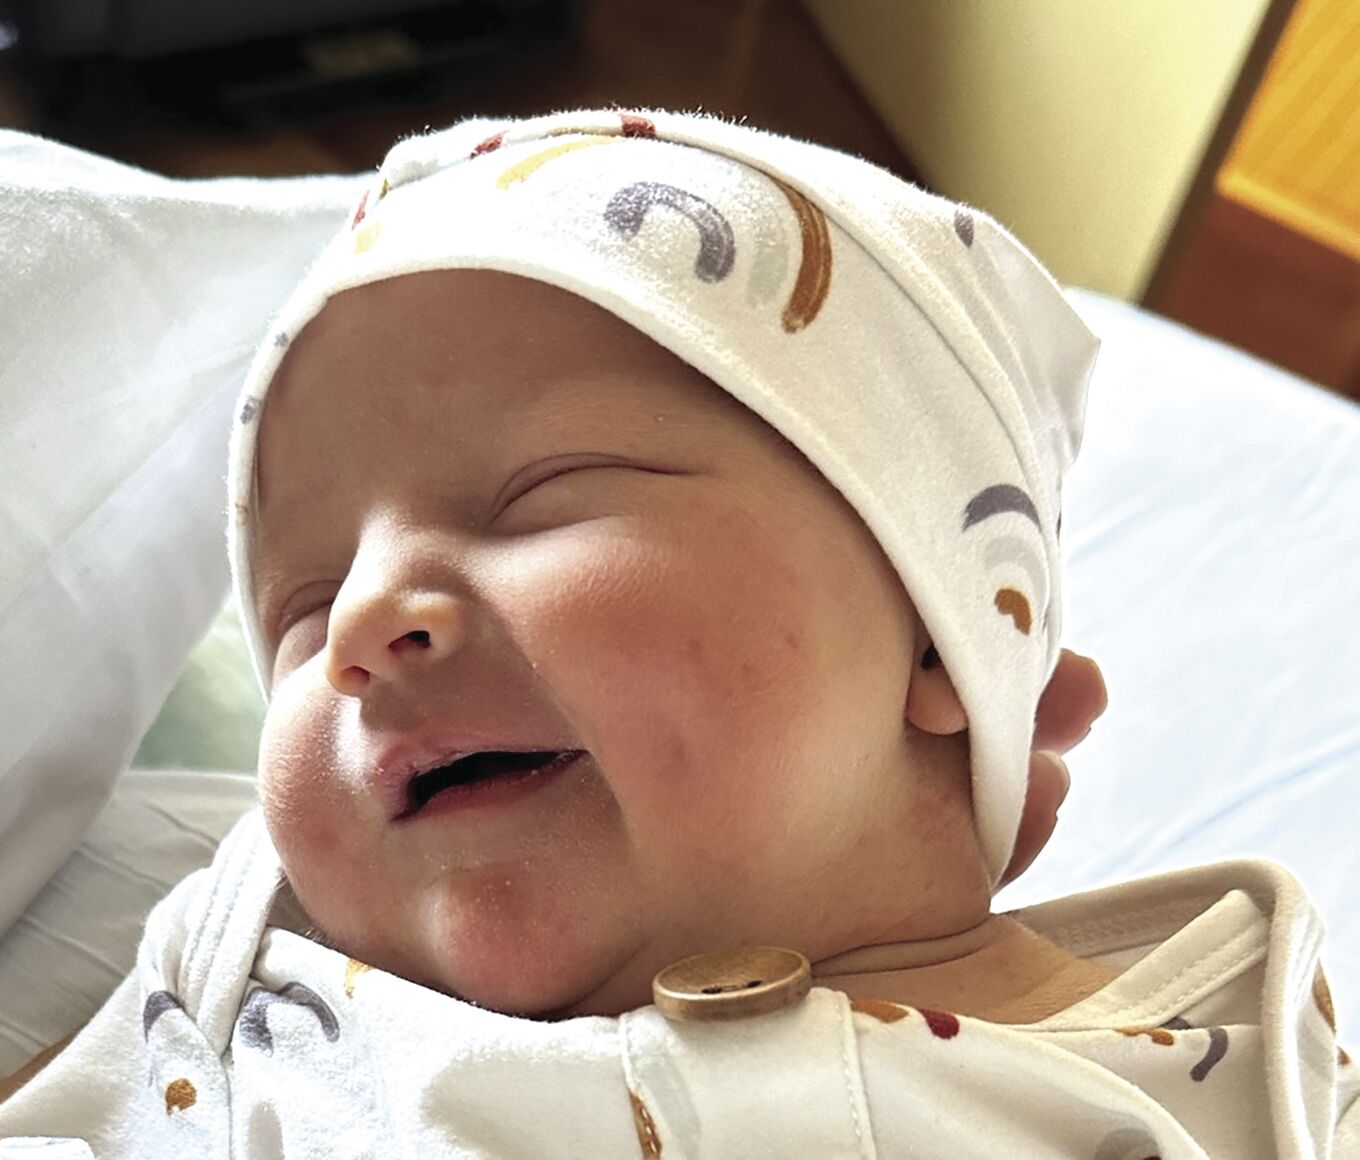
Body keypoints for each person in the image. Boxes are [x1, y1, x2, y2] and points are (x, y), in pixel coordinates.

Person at [1, 107, 1353, 1158]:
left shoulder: (1219, 1081)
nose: (360, 621)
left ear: (944, 646)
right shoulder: (255, 977)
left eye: (541, 498)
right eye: (300, 607)